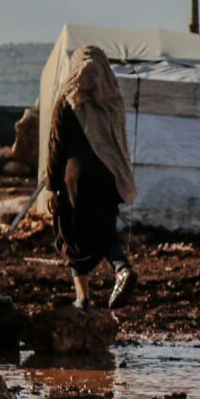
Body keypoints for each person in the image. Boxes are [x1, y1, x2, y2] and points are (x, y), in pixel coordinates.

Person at [36, 44, 139, 309]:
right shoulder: (112, 103)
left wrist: (53, 186)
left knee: (70, 235)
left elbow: (56, 147)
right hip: (109, 177)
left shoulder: (67, 101)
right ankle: (122, 268)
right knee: (105, 232)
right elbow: (120, 142)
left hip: (76, 181)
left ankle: (82, 298)